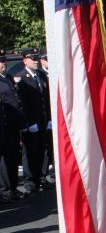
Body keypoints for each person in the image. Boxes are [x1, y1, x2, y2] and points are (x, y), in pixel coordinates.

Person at [16, 47, 49, 193]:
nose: (36, 61)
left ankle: (40, 178)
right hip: (31, 123)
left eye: (36, 59)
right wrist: (29, 122)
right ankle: (30, 182)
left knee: (42, 149)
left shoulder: (40, 75)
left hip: (42, 120)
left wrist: (48, 119)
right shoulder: (22, 78)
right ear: (25, 61)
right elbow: (23, 103)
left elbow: (45, 99)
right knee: (30, 152)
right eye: (32, 59)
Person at [0, 50, 26, 202]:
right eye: (1, 62)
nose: (3, 64)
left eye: (4, 62)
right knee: (4, 160)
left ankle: (13, 186)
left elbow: (16, 100)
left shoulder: (8, 78)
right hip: (4, 126)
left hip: (13, 125)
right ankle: (4, 190)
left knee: (13, 157)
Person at [38, 51, 54, 185]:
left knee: (52, 146)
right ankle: (43, 174)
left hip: (52, 116)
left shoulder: (52, 72)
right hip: (44, 117)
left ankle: (51, 171)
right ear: (43, 61)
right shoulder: (41, 75)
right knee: (44, 147)